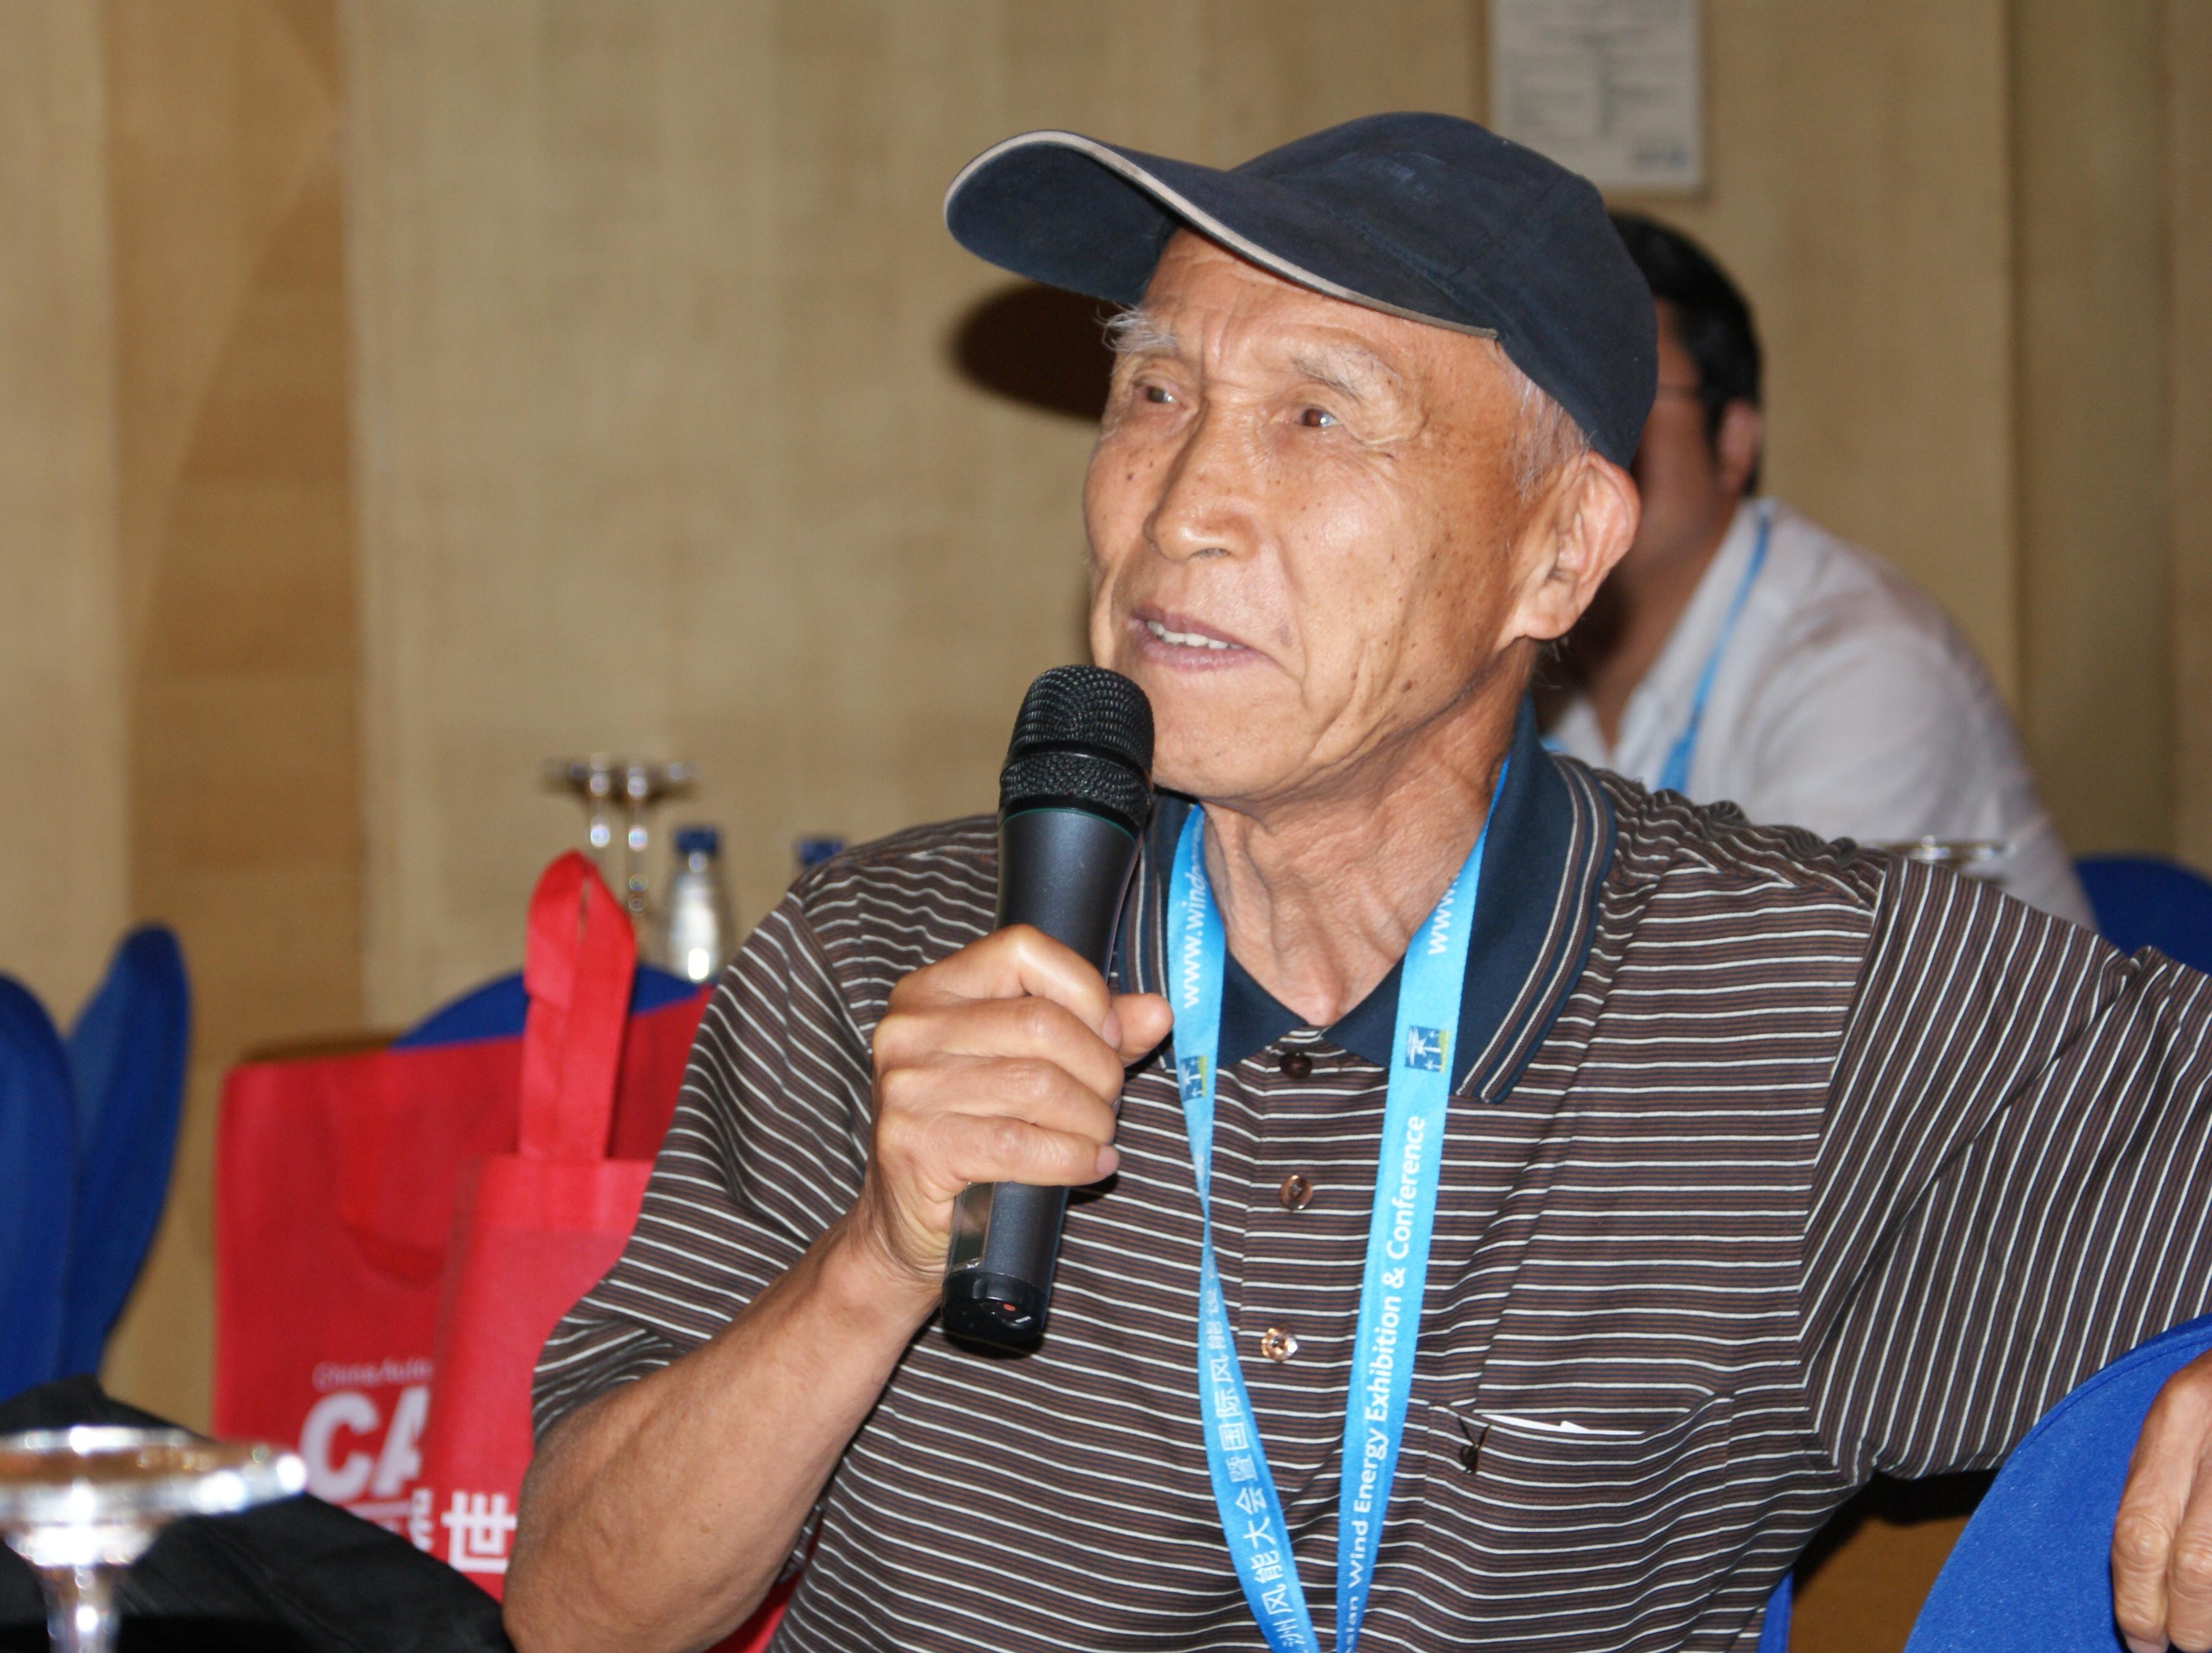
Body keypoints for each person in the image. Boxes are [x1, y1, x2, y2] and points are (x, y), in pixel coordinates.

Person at [504, 116, 2212, 1653]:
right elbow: (579, 1615)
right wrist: (874, 1264)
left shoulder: (1801, 1004)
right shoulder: (879, 960)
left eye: (1318, 418)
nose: (1184, 508)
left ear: (1559, 551)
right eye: (1153, 394)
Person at [1542, 212, 2091, 924]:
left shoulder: (1868, 665)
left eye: (1624, 394)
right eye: (1545, 397)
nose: (1572, 436)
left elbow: (1772, 972)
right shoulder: (1517, 637)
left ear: (1734, 441)